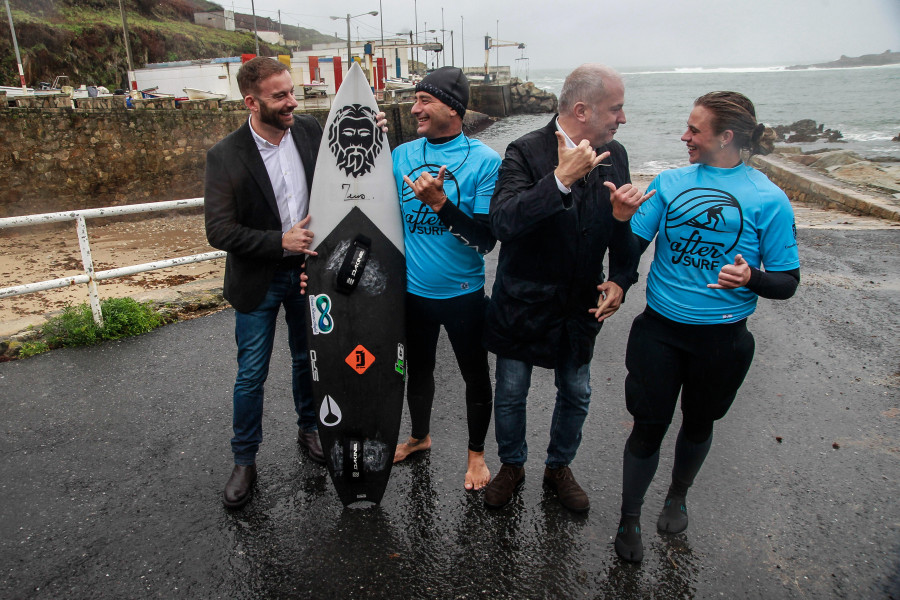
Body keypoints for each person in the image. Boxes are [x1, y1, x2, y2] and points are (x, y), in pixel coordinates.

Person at [613, 91, 800, 562]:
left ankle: (677, 495)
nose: (685, 136)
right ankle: (629, 516)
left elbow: (787, 281)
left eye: (695, 130)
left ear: (726, 136)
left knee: (698, 424)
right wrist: (619, 220)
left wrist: (752, 277)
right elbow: (631, 248)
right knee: (647, 428)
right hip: (660, 331)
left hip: (722, 339)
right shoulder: (671, 182)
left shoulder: (768, 199)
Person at [204, 57, 386, 510]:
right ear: (252, 101)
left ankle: (311, 430)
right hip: (259, 279)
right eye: (280, 95)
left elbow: (350, 160)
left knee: (308, 359)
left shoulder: (308, 132)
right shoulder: (225, 155)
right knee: (251, 375)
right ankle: (244, 461)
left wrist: (375, 127)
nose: (292, 102)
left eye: (292, 92)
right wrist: (277, 241)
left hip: (310, 272)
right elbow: (218, 230)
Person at [482, 64, 652, 512]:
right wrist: (560, 179)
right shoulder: (524, 150)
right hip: (523, 301)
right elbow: (502, 222)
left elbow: (620, 229)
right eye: (616, 109)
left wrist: (620, 277)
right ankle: (512, 466)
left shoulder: (615, 154)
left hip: (579, 305)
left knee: (576, 392)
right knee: (512, 390)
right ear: (582, 110)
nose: (622, 118)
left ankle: (558, 467)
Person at [391, 67, 502, 491]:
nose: (414, 108)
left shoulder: (485, 162)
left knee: (475, 374)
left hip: (464, 295)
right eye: (415, 100)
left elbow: (485, 239)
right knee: (417, 372)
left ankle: (476, 454)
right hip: (413, 293)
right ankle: (420, 436)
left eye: (424, 100)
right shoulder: (401, 155)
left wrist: (440, 203)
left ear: (452, 108)